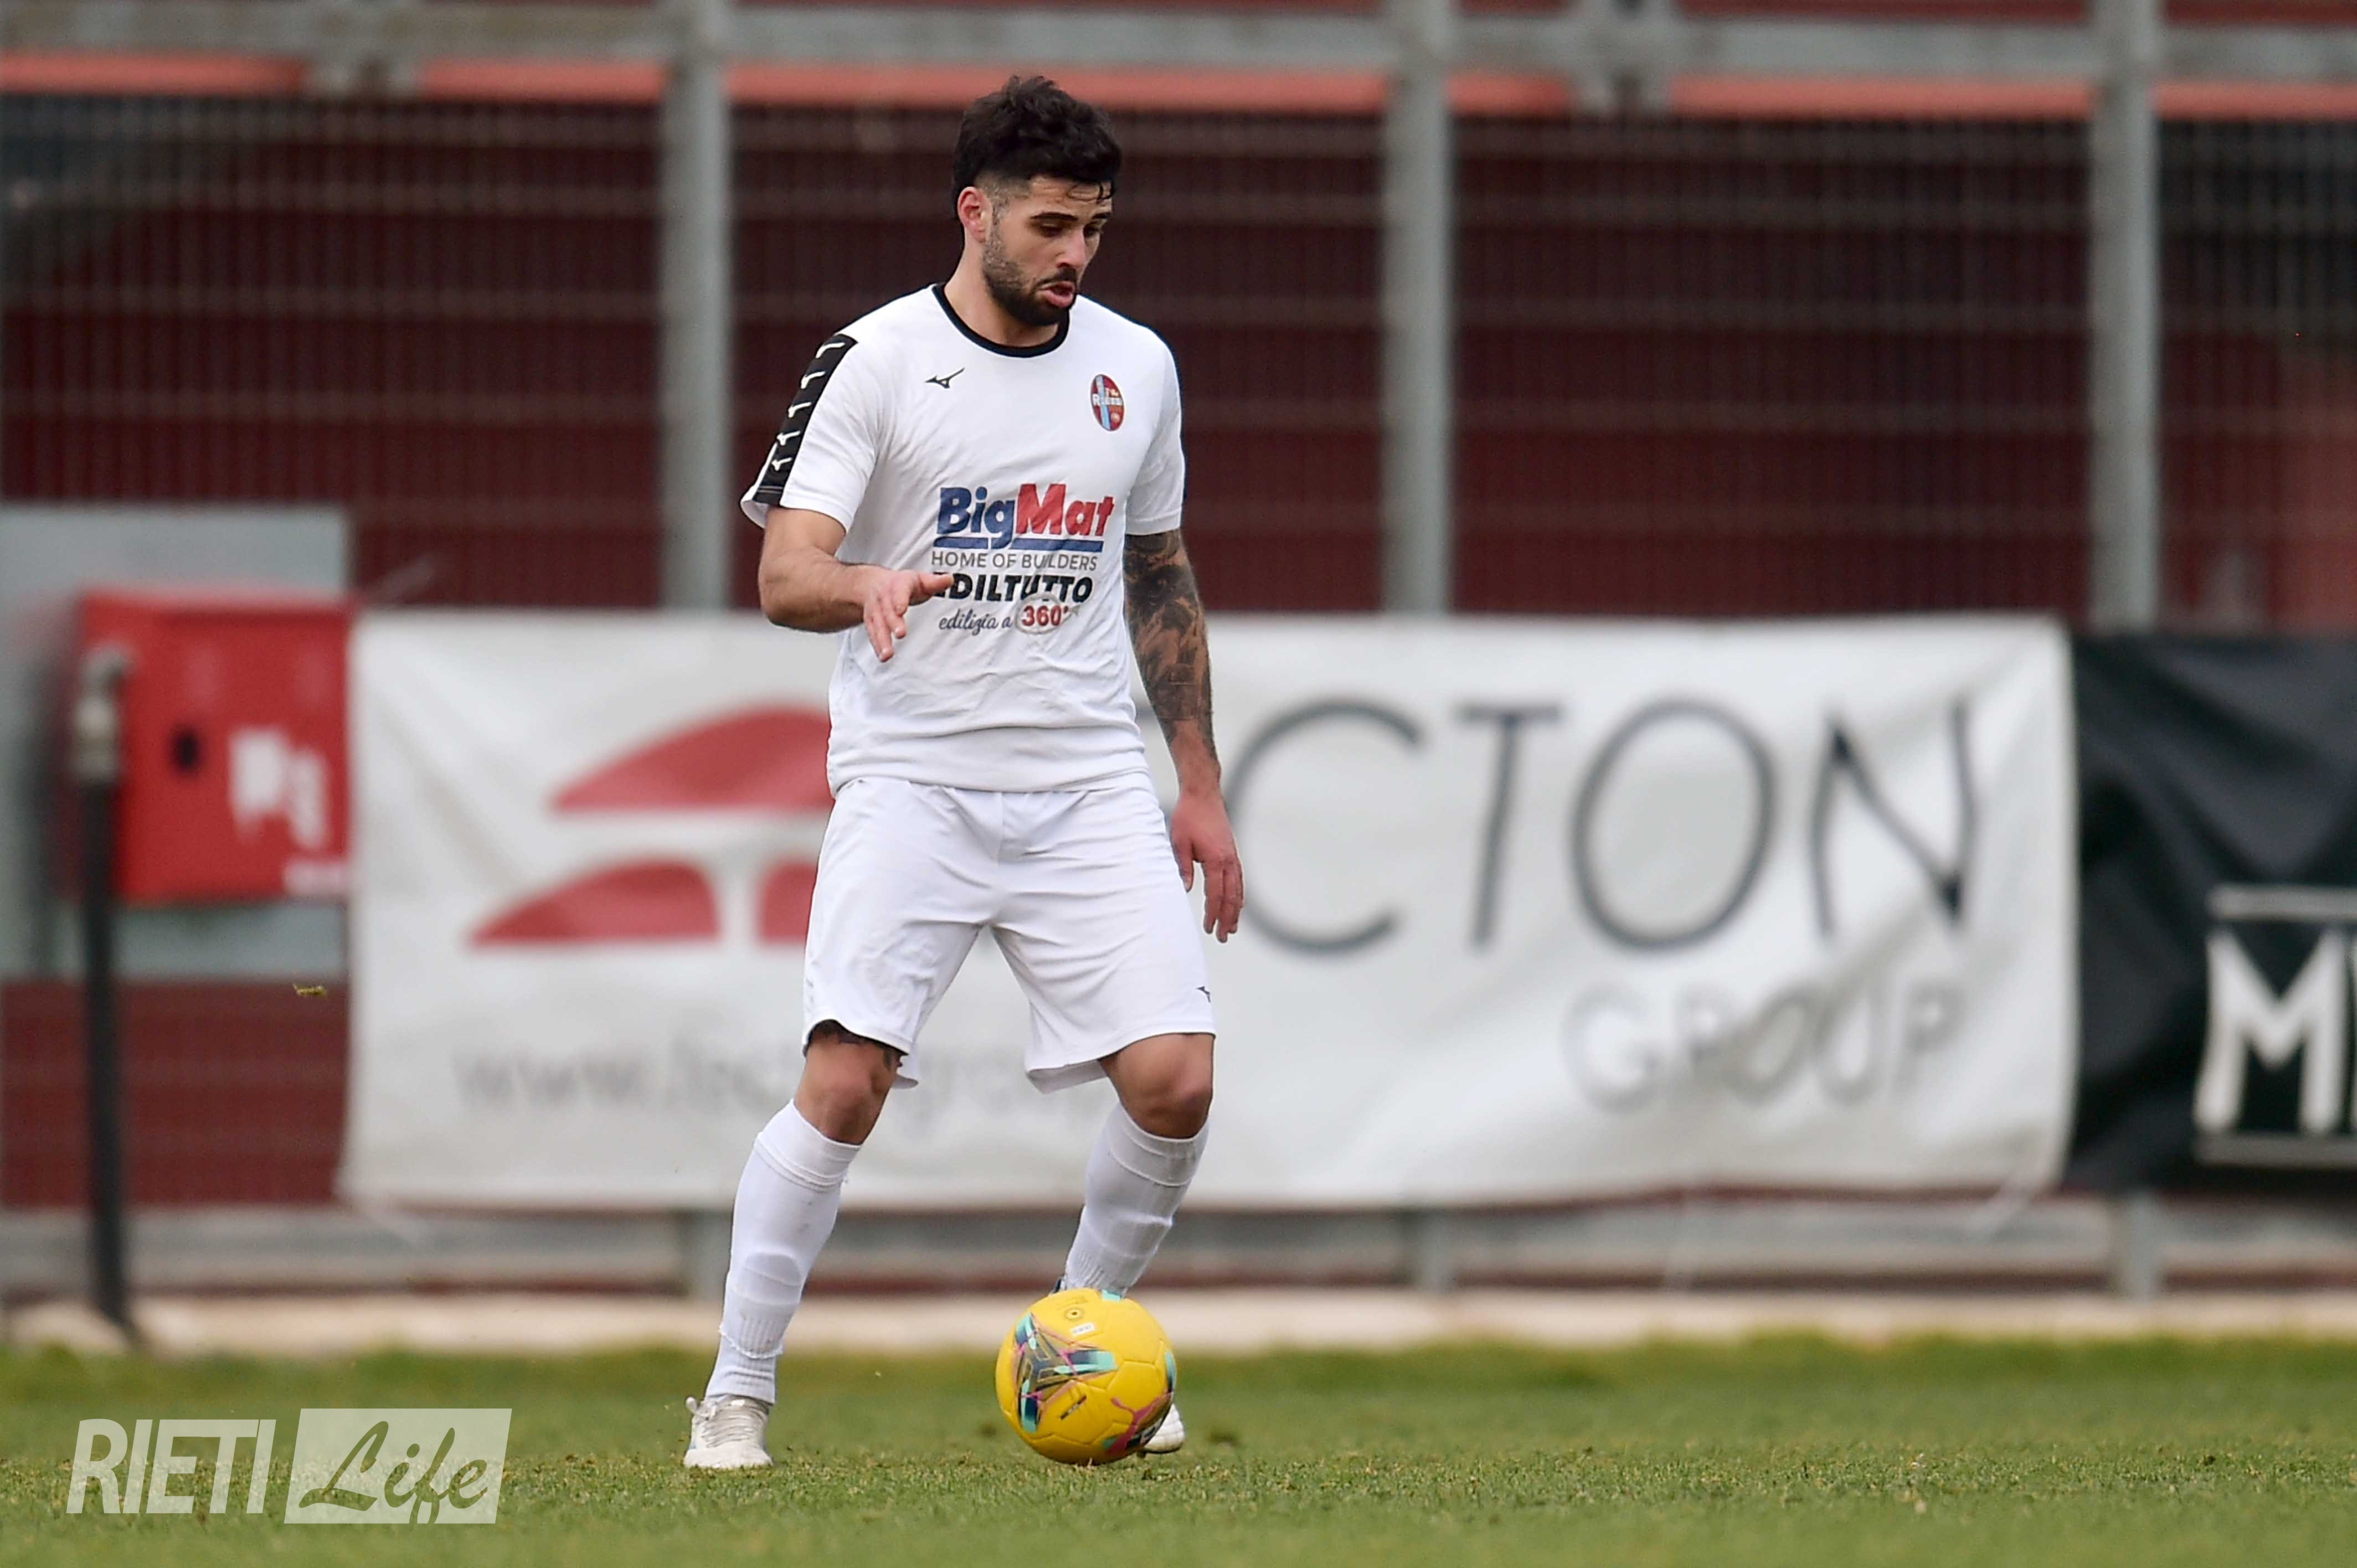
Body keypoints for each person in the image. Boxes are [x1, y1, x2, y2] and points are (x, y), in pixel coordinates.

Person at [684, 75, 1242, 1470]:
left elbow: (1158, 572)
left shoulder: (1137, 368)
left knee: (1175, 1081)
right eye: (1050, 226)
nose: (1074, 256)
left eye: (1094, 230)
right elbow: (785, 573)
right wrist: (865, 582)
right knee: (845, 1084)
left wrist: (1198, 782)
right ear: (974, 212)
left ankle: (1081, 1342)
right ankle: (734, 1393)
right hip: (914, 778)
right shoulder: (874, 361)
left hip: (1085, 781)